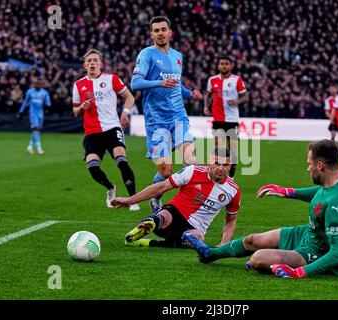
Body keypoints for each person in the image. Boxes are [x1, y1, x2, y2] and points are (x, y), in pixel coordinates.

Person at [183, 140, 338, 279]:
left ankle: (262, 263)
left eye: (310, 163)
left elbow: (337, 254)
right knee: (253, 240)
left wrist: (299, 272)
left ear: (320, 165)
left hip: (317, 252)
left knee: (258, 258)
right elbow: (323, 193)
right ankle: (209, 253)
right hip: (308, 234)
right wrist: (287, 192)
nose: (308, 168)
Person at [130, 16, 203, 213]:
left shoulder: (177, 55)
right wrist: (158, 82)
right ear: (151, 34)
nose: (160, 33)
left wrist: (190, 94)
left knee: (191, 163)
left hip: (179, 116)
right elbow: (135, 84)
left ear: (170, 32)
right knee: (166, 170)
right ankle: (156, 197)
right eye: (156, 30)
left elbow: (176, 84)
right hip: (156, 121)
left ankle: (187, 210)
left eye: (163, 29)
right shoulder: (147, 55)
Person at [111, 148, 241, 249]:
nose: (221, 168)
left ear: (230, 166)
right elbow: (161, 187)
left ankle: (151, 243)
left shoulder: (233, 191)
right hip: (174, 214)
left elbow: (230, 221)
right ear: (209, 162)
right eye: (217, 163)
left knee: (198, 238)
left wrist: (224, 244)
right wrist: (129, 201)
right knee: (164, 216)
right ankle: (151, 222)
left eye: (226, 165)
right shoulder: (192, 171)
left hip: (194, 228)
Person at [72, 49, 140, 210]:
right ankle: (110, 188)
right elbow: (75, 112)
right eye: (89, 61)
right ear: (84, 65)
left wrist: (125, 113)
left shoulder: (112, 79)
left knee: (121, 160)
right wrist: (82, 107)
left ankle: (133, 200)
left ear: (101, 64)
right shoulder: (78, 85)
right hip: (92, 133)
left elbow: (130, 97)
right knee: (93, 167)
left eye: (95, 60)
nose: (92, 63)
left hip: (112, 128)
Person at [203, 56, 248, 179]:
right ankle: (218, 176)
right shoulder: (212, 80)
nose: (224, 66)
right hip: (218, 120)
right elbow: (208, 94)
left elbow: (245, 97)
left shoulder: (237, 80)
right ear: (218, 66)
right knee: (220, 150)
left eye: (226, 64)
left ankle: (231, 178)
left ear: (231, 66)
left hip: (232, 120)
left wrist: (237, 101)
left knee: (232, 150)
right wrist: (206, 107)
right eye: (222, 64)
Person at [18, 78, 51, 155]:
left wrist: (47, 105)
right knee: (35, 129)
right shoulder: (30, 92)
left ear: (41, 85)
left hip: (40, 113)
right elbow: (25, 101)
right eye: (35, 83)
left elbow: (49, 103)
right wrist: (21, 111)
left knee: (37, 131)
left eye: (38, 84)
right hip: (33, 113)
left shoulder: (44, 93)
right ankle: (39, 148)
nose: (36, 85)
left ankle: (29, 147)